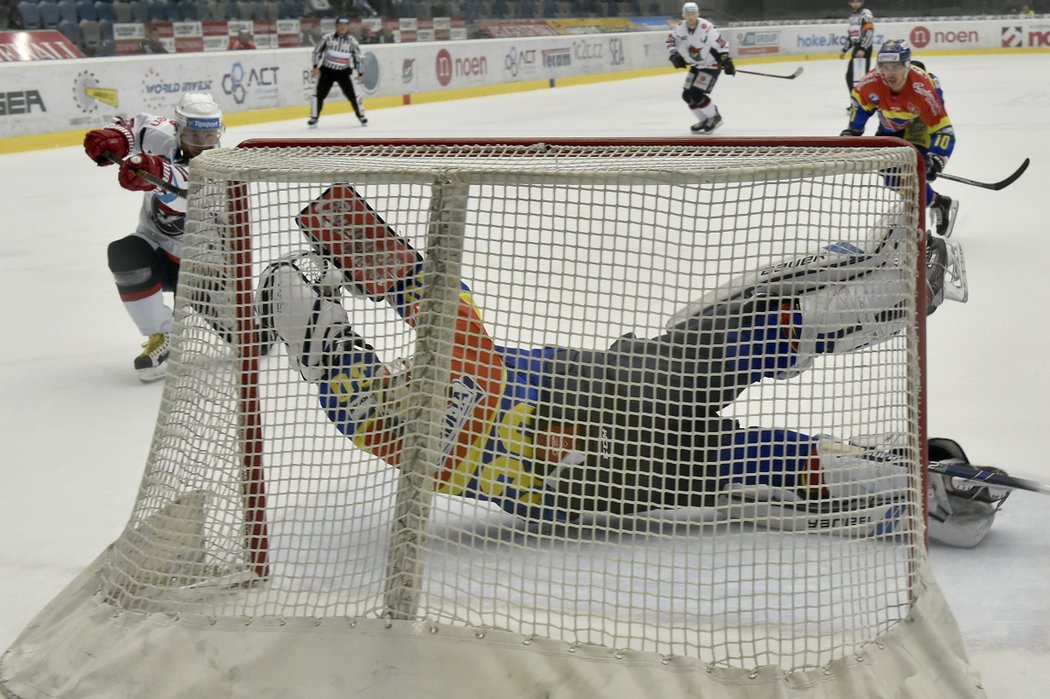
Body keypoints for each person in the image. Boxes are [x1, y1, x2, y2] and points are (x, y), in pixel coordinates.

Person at [254, 185, 1006, 547]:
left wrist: (314, 289)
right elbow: (422, 290)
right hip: (602, 401)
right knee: (718, 336)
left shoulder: (368, 427)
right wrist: (341, 236)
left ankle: (912, 495)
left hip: (581, 490)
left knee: (746, 466)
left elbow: (335, 362)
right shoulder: (456, 362)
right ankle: (888, 286)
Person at [81, 93, 225, 382]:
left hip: (205, 268)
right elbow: (137, 127)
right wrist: (115, 138)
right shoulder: (162, 136)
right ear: (179, 130)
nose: (203, 144)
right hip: (157, 248)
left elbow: (184, 197)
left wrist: (156, 170)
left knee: (255, 342)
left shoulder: (223, 165)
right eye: (195, 135)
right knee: (125, 252)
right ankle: (163, 336)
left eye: (210, 134)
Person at [841, 40, 959, 238]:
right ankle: (939, 202)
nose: (889, 73)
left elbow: (944, 131)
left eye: (895, 67)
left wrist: (937, 160)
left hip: (918, 124)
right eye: (885, 67)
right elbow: (860, 106)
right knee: (891, 179)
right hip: (891, 124)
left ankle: (919, 222)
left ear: (907, 66)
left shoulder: (924, 91)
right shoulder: (871, 83)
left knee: (912, 173)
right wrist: (853, 131)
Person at [665, 1, 736, 134]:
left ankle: (714, 117)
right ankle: (704, 120)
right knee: (687, 95)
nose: (690, 16)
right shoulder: (679, 27)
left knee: (697, 94)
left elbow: (722, 44)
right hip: (696, 66)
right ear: (683, 15)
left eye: (692, 13)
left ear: (697, 14)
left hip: (710, 66)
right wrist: (674, 55)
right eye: (687, 13)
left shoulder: (706, 27)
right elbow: (670, 41)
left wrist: (726, 60)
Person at [307, 16, 367, 128]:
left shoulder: (352, 41)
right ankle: (314, 118)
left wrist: (360, 73)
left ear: (348, 26)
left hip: (343, 72)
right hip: (327, 71)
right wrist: (315, 66)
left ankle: (361, 116)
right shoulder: (327, 38)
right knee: (318, 95)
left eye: (345, 25)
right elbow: (317, 52)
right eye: (340, 25)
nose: (342, 27)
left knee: (353, 95)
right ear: (336, 26)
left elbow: (358, 58)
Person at [839, 0, 874, 102]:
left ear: (862, 2)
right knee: (851, 76)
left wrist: (863, 48)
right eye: (853, 1)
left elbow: (869, 32)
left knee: (862, 77)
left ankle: (864, 102)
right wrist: (844, 49)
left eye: (858, 1)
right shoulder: (853, 16)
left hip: (864, 48)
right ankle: (856, 101)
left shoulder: (866, 13)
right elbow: (852, 35)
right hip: (857, 48)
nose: (855, 4)